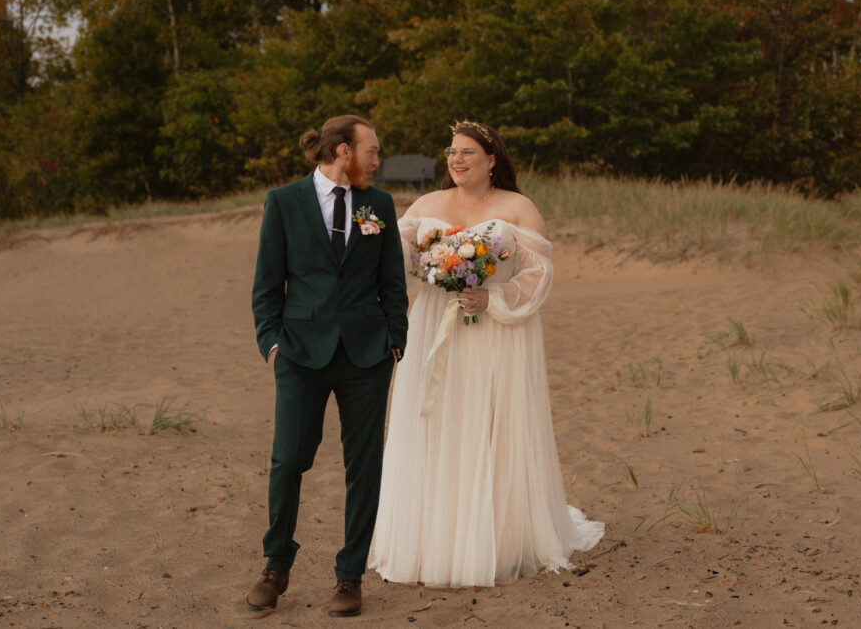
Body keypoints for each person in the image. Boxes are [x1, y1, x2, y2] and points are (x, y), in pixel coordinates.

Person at [368, 120, 604, 588]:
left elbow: (539, 275)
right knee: (436, 420)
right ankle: (433, 535)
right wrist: (377, 233)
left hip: (497, 331)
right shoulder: (427, 205)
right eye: (451, 152)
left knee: (489, 422)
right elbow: (392, 259)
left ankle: (497, 535)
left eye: (467, 152)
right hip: (437, 322)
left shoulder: (517, 207)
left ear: (492, 159)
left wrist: (492, 299)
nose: (456, 160)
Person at [248, 115, 409, 616]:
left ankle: (349, 576)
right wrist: (272, 344)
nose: (378, 161)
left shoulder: (378, 205)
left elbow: (393, 284)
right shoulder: (283, 202)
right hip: (300, 353)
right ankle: (276, 567)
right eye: (373, 151)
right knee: (288, 460)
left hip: (367, 356)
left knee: (365, 467)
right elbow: (267, 285)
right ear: (343, 151)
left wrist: (394, 343)